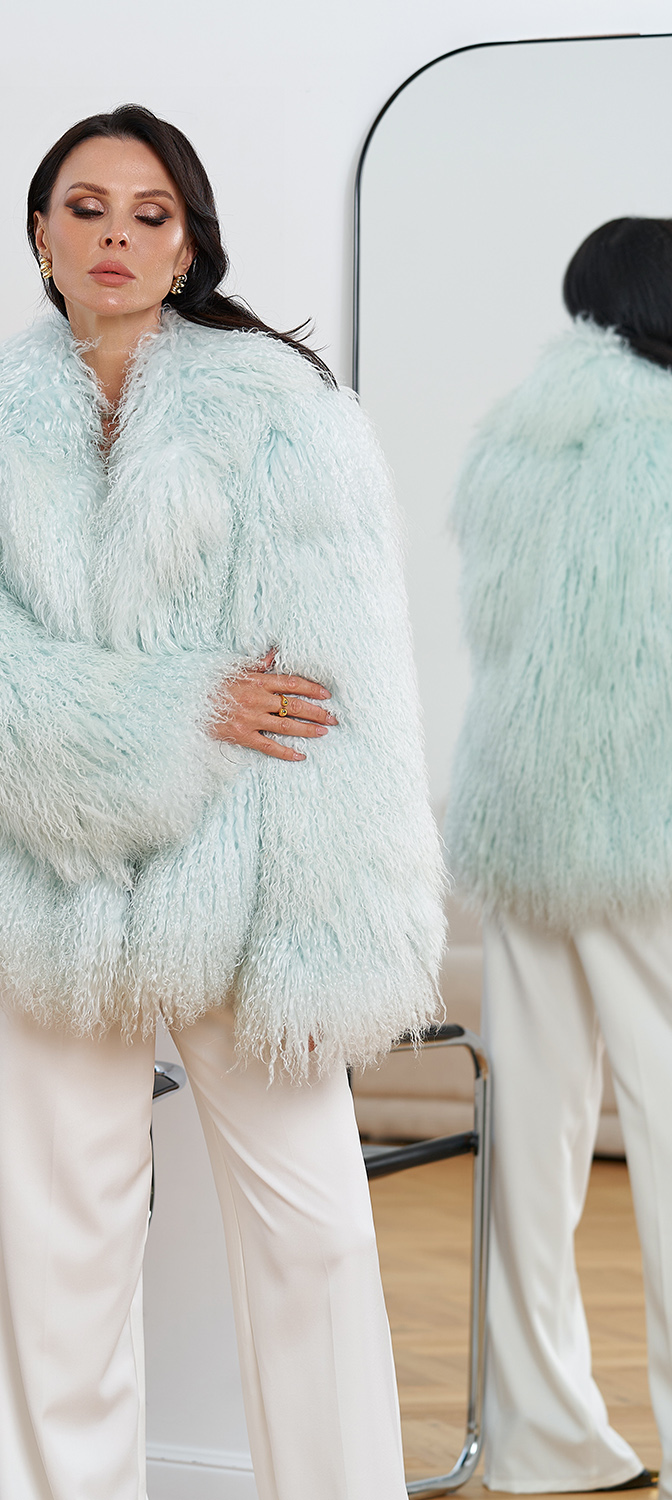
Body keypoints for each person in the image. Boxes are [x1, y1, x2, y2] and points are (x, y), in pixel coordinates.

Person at [0, 104, 445, 1500]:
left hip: (243, 879)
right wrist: (177, 711)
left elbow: (342, 703)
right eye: (86, 209)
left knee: (316, 1236)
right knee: (59, 1257)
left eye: (150, 214)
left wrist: (328, 937)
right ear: (40, 234)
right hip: (44, 885)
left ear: (189, 244)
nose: (116, 237)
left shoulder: (284, 416)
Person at [445, 217, 672, 1496]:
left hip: (519, 816)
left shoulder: (513, 441)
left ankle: (543, 1440)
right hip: (645, 827)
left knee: (529, 1144)